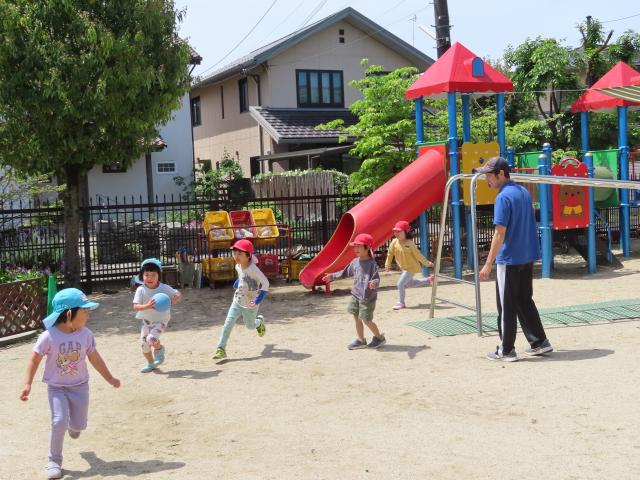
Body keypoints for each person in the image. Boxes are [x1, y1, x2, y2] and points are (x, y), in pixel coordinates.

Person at [19, 288, 120, 480]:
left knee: (79, 424)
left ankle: (74, 427)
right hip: (56, 387)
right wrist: (27, 384)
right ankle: (54, 461)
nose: (88, 314)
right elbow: (34, 360)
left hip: (80, 386)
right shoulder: (48, 336)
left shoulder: (86, 334)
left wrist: (110, 378)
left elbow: (95, 358)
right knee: (59, 421)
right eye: (85, 311)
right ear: (68, 314)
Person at [475, 156, 553, 362]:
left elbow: (499, 233)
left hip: (509, 259)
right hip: (526, 256)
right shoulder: (523, 192)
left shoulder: (503, 197)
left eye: (489, 175)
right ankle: (540, 342)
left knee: (506, 306)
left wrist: (488, 263)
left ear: (501, 174)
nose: (487, 179)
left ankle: (506, 349)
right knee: (524, 301)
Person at [322, 233, 386, 349]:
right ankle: (361, 340)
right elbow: (344, 272)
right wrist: (332, 276)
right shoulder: (355, 262)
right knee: (356, 317)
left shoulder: (372, 264)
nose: (356, 249)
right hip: (355, 295)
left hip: (367, 297)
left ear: (367, 247)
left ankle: (379, 338)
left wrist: (374, 283)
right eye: (355, 246)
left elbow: (376, 278)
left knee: (366, 320)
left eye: (359, 246)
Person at [213, 239, 268, 359]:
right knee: (228, 323)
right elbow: (242, 274)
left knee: (250, 326)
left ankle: (259, 322)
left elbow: (266, 283)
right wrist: (237, 283)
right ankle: (221, 348)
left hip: (251, 303)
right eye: (234, 253)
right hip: (237, 301)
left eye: (240, 254)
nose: (236, 256)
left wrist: (258, 300)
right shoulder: (238, 266)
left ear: (248, 256)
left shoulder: (254, 269)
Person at [133, 258, 182, 373]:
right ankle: (151, 364)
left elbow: (178, 293)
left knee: (151, 338)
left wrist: (175, 298)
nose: (149, 278)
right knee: (144, 345)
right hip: (146, 322)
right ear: (142, 276)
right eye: (146, 275)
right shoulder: (141, 290)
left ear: (159, 276)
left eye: (153, 275)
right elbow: (135, 306)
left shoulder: (164, 288)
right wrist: (147, 306)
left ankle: (159, 350)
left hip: (161, 321)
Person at [384, 220, 434, 310]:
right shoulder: (394, 242)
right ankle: (429, 279)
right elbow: (390, 254)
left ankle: (401, 303)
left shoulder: (410, 243)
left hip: (411, 267)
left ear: (406, 232)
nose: (396, 233)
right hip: (404, 268)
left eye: (399, 231)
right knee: (410, 284)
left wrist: (427, 263)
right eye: (395, 231)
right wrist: (387, 263)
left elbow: (418, 255)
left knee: (400, 284)